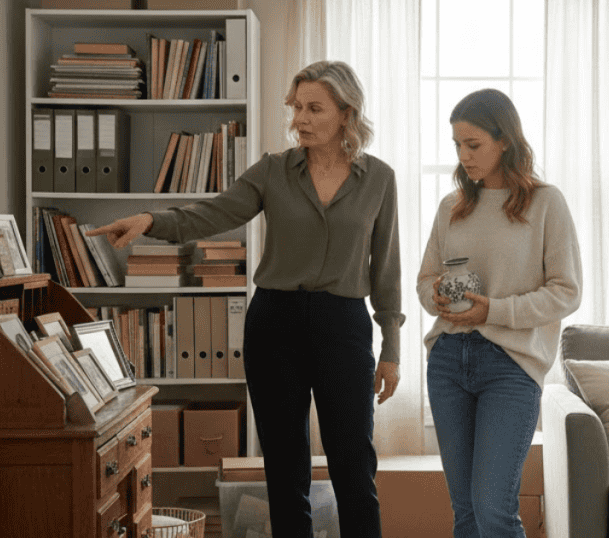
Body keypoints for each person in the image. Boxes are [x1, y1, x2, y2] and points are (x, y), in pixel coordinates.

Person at [86, 60, 403, 538]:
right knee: (283, 466)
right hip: (275, 323)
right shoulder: (273, 171)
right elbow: (212, 214)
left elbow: (386, 270)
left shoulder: (379, 179)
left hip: (344, 325)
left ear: (346, 112)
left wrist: (392, 350)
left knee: (353, 465)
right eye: (297, 107)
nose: (301, 118)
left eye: (314, 108)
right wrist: (152, 222)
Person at [416, 88, 583, 538]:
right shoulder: (451, 207)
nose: (463, 156)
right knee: (466, 513)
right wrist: (438, 297)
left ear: (504, 140)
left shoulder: (545, 203)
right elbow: (423, 282)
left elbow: (567, 292)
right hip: (449, 360)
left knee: (493, 510)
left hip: (510, 366)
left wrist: (494, 311)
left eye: (474, 145)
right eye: (457, 145)